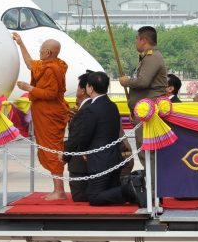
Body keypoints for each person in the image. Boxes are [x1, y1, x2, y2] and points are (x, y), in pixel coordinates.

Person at [71, 71, 146, 207]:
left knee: (94, 197)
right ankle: (133, 191)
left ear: (90, 88)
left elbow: (86, 134)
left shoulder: (91, 109)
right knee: (109, 191)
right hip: (114, 156)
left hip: (99, 159)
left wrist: (82, 150)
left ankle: (130, 188)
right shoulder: (112, 105)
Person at [13, 33, 70, 200]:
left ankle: (59, 191)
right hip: (43, 113)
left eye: (41, 50)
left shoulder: (54, 68)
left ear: (48, 53)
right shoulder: (48, 64)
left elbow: (51, 94)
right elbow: (31, 65)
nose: (39, 52)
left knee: (53, 150)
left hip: (50, 114)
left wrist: (29, 88)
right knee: (49, 149)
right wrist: (20, 43)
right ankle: (57, 189)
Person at [119, 26, 167, 164]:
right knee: (143, 151)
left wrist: (126, 81)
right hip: (143, 111)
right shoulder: (147, 57)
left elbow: (143, 81)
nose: (135, 42)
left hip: (149, 113)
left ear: (143, 40)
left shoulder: (152, 57)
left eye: (136, 39)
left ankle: (152, 184)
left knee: (147, 153)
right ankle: (150, 183)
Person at [63, 71, 93, 202]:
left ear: (82, 90)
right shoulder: (97, 106)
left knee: (81, 197)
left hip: (81, 165)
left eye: (77, 87)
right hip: (95, 163)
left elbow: (75, 139)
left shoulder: (85, 110)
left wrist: (64, 155)